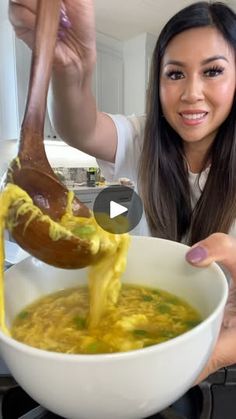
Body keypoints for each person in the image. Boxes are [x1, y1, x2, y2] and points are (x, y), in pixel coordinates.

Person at [8, 0, 236, 384]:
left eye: (213, 71)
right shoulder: (139, 136)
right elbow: (79, 127)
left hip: (219, 351)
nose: (192, 93)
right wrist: (72, 72)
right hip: (118, 364)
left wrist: (212, 357)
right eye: (175, 74)